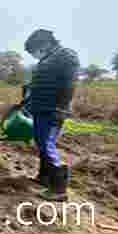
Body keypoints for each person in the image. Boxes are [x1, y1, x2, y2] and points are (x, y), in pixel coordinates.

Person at [24, 29, 79, 202]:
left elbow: (69, 85)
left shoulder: (66, 56)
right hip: (40, 109)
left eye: (34, 49)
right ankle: (44, 177)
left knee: (47, 144)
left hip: (52, 110)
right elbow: (40, 84)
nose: (34, 54)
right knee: (41, 142)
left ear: (45, 43)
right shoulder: (47, 59)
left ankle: (59, 189)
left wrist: (61, 109)